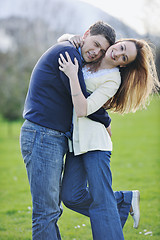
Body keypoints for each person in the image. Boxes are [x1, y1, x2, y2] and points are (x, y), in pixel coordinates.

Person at [19, 21, 117, 240]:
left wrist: (67, 37)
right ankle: (123, 203)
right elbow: (82, 100)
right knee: (46, 212)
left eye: (101, 51)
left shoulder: (72, 51)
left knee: (52, 208)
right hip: (42, 135)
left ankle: (122, 203)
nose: (96, 52)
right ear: (86, 34)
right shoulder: (68, 53)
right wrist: (107, 121)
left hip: (51, 137)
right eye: (95, 44)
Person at [58, 36, 160, 239]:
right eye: (121, 48)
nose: (118, 54)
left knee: (102, 204)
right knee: (71, 196)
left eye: (124, 58)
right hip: (77, 143)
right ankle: (123, 200)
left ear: (124, 65)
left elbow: (83, 109)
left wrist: (71, 76)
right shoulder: (92, 58)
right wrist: (71, 38)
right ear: (117, 42)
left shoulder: (113, 79)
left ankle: (114, 209)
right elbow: (63, 41)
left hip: (96, 144)